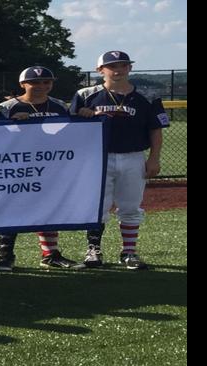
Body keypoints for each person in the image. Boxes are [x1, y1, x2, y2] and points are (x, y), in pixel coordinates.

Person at [70, 50, 168, 270]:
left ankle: (129, 252)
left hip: (133, 157)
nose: (118, 70)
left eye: (123, 65)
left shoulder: (147, 95)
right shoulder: (86, 95)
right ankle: (93, 250)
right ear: (100, 70)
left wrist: (154, 158)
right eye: (112, 66)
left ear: (130, 68)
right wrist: (81, 116)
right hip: (97, 158)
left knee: (131, 206)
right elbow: (70, 129)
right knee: (97, 206)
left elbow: (155, 130)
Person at [0, 66, 79, 271]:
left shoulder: (59, 105)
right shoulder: (7, 107)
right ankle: (5, 255)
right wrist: (12, 124)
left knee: (48, 208)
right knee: (11, 208)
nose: (41, 86)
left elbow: (70, 135)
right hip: (16, 166)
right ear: (23, 84)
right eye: (35, 82)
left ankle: (50, 254)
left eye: (46, 82)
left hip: (50, 165)